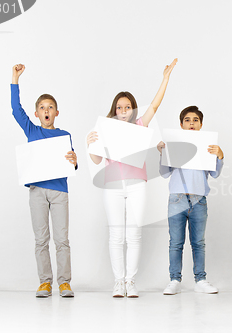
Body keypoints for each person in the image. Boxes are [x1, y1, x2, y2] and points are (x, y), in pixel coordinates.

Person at [87, 59, 177, 298]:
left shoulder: (139, 125)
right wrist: (91, 145)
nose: (123, 110)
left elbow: (155, 106)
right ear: (114, 110)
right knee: (116, 235)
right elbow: (97, 161)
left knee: (134, 234)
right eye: (119, 107)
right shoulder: (105, 128)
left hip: (137, 184)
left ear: (133, 110)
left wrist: (165, 79)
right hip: (113, 186)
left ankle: (130, 281)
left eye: (127, 107)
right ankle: (118, 282)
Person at [11, 64, 78, 298]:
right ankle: (45, 282)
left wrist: (75, 160)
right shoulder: (32, 131)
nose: (46, 110)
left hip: (60, 191)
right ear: (37, 113)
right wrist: (15, 79)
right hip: (37, 191)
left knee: (62, 239)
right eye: (42, 107)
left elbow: (72, 162)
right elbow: (15, 109)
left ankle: (64, 283)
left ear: (56, 113)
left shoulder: (64, 135)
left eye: (50, 107)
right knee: (41, 239)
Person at [157, 106, 223, 295]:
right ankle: (174, 279)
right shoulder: (174, 146)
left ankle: (200, 279)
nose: (191, 123)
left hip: (199, 200)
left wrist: (220, 156)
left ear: (201, 124)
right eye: (187, 120)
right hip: (177, 198)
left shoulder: (207, 146)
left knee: (198, 242)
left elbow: (215, 173)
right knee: (176, 242)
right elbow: (163, 173)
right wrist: (163, 153)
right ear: (181, 124)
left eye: (195, 120)